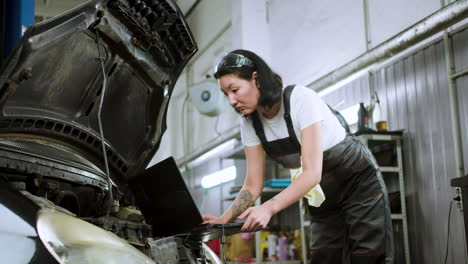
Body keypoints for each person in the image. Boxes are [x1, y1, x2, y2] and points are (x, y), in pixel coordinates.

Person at [203, 49, 394, 264]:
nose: (231, 100)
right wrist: (223, 220)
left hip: (358, 184)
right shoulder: (249, 123)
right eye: (226, 94)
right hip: (322, 197)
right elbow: (252, 185)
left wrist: (268, 208)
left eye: (235, 89)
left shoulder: (299, 99)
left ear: (256, 79)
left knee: (368, 256)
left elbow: (312, 173)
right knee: (324, 257)